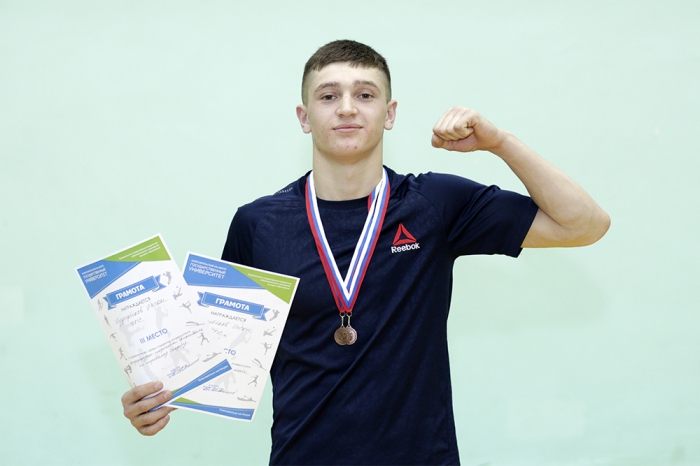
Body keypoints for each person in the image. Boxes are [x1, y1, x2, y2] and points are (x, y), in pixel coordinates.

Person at [121, 40, 610, 464]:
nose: (347, 108)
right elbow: (214, 357)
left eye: (365, 94)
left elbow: (584, 224)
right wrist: (152, 400)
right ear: (304, 117)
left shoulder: (434, 205)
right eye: (328, 95)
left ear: (390, 114)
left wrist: (500, 143)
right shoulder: (258, 224)